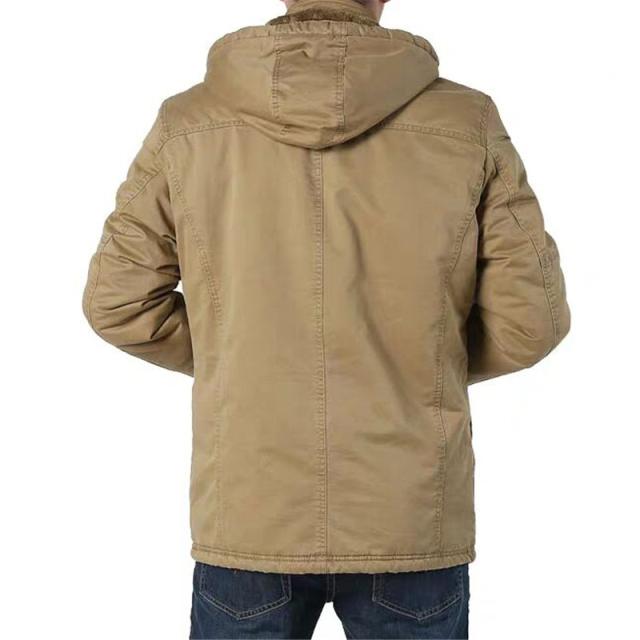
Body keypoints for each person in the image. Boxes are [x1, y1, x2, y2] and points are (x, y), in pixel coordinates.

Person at [82, 0, 570, 637]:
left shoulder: (188, 124)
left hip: (250, 508)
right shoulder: (465, 121)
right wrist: (422, 367)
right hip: (408, 506)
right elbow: (532, 320)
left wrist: (238, 356)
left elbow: (118, 302)